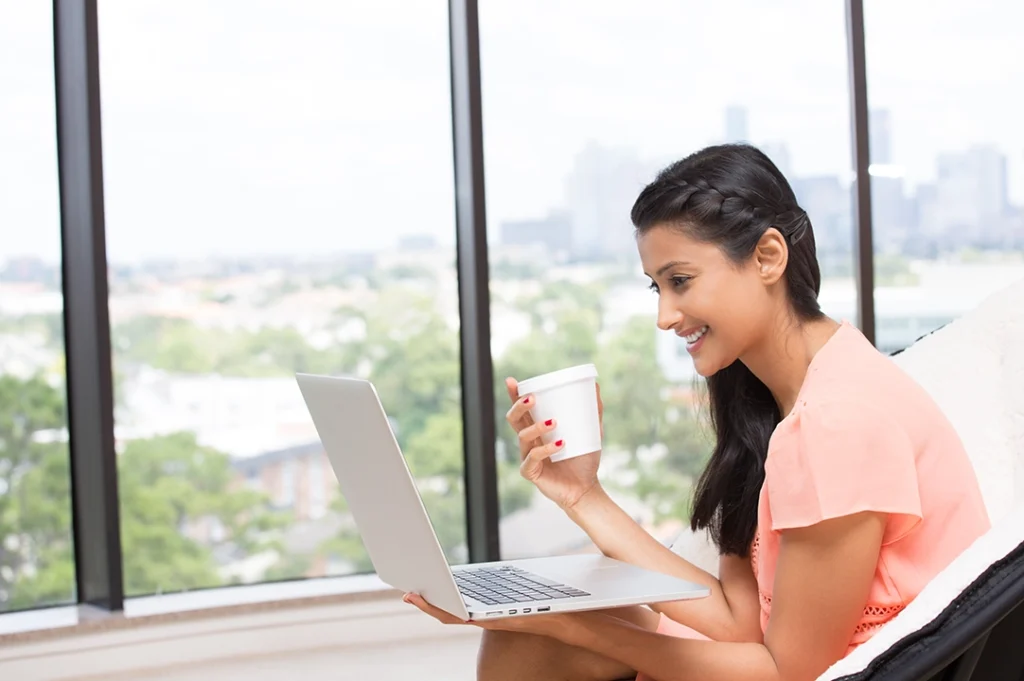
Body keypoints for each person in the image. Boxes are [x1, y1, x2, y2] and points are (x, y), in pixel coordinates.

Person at [404, 144, 991, 681]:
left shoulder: (836, 423)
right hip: (781, 657)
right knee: (535, 641)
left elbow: (787, 672)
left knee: (548, 640)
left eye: (680, 281)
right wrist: (582, 496)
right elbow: (740, 621)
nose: (665, 316)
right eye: (656, 288)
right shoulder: (786, 395)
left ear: (767, 256)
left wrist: (563, 623)